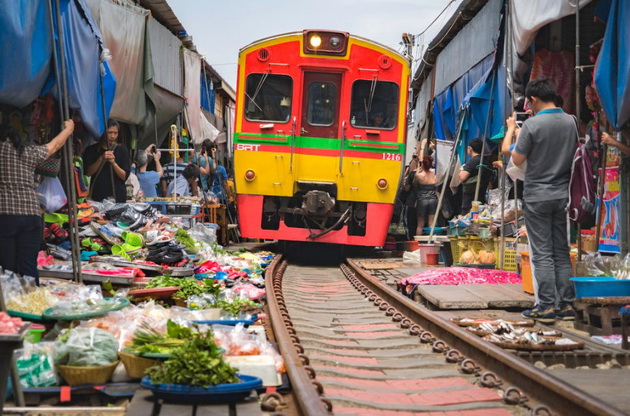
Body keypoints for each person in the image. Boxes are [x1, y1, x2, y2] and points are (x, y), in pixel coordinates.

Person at [511, 77, 577, 323]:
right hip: (564, 195)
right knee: (561, 250)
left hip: (538, 195)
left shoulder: (532, 125)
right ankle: (567, 305)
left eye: (530, 102)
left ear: (534, 99)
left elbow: (517, 160)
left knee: (542, 253)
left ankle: (547, 306)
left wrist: (517, 135)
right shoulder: (571, 122)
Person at [0, 120, 74, 283]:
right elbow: (54, 146)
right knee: (28, 266)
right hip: (31, 215)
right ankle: (31, 303)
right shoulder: (27, 152)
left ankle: (8, 305)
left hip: (5, 216)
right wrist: (68, 130)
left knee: (6, 268)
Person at [83, 119, 131, 203]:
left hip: (118, 197)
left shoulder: (122, 150)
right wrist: (101, 159)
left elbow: (124, 176)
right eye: (109, 132)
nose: (113, 136)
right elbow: (88, 172)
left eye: (115, 133)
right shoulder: (91, 150)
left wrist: (113, 163)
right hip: (98, 197)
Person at [459, 138, 490, 213]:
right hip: (482, 199)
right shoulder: (485, 161)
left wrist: (461, 170)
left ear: (470, 148)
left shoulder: (472, 161)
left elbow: (462, 177)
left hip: (470, 201)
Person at [412, 156, 438, 236]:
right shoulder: (435, 175)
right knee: (431, 223)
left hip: (422, 200)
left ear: (422, 164)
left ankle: (418, 244)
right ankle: (431, 242)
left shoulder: (418, 175)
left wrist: (417, 171)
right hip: (433, 199)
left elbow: (414, 184)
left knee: (420, 225)